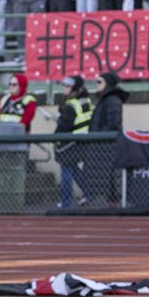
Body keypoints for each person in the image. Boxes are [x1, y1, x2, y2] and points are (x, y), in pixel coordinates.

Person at [88, 71, 129, 205]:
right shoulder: (106, 99)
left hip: (108, 144)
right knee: (107, 176)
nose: (96, 84)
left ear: (108, 84)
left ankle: (115, 203)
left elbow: (113, 123)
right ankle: (112, 202)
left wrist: (98, 134)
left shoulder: (112, 100)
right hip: (104, 144)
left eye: (99, 82)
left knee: (111, 176)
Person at [55, 75, 93, 208]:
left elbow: (64, 126)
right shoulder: (85, 100)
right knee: (74, 169)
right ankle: (90, 192)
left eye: (67, 86)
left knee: (66, 170)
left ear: (74, 88)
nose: (64, 88)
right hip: (81, 140)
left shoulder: (71, 105)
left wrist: (56, 137)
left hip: (70, 142)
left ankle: (66, 203)